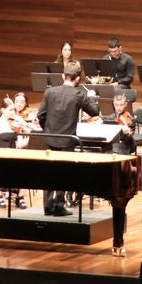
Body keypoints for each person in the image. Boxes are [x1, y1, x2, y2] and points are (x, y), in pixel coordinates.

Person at [37, 64, 99, 216]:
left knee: (49, 172)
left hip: (50, 138)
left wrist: (48, 130)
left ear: (63, 76)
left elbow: (41, 115)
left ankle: (47, 206)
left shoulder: (50, 92)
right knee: (64, 173)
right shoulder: (79, 94)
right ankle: (58, 205)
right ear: (77, 79)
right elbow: (94, 111)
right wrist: (91, 97)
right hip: (68, 140)